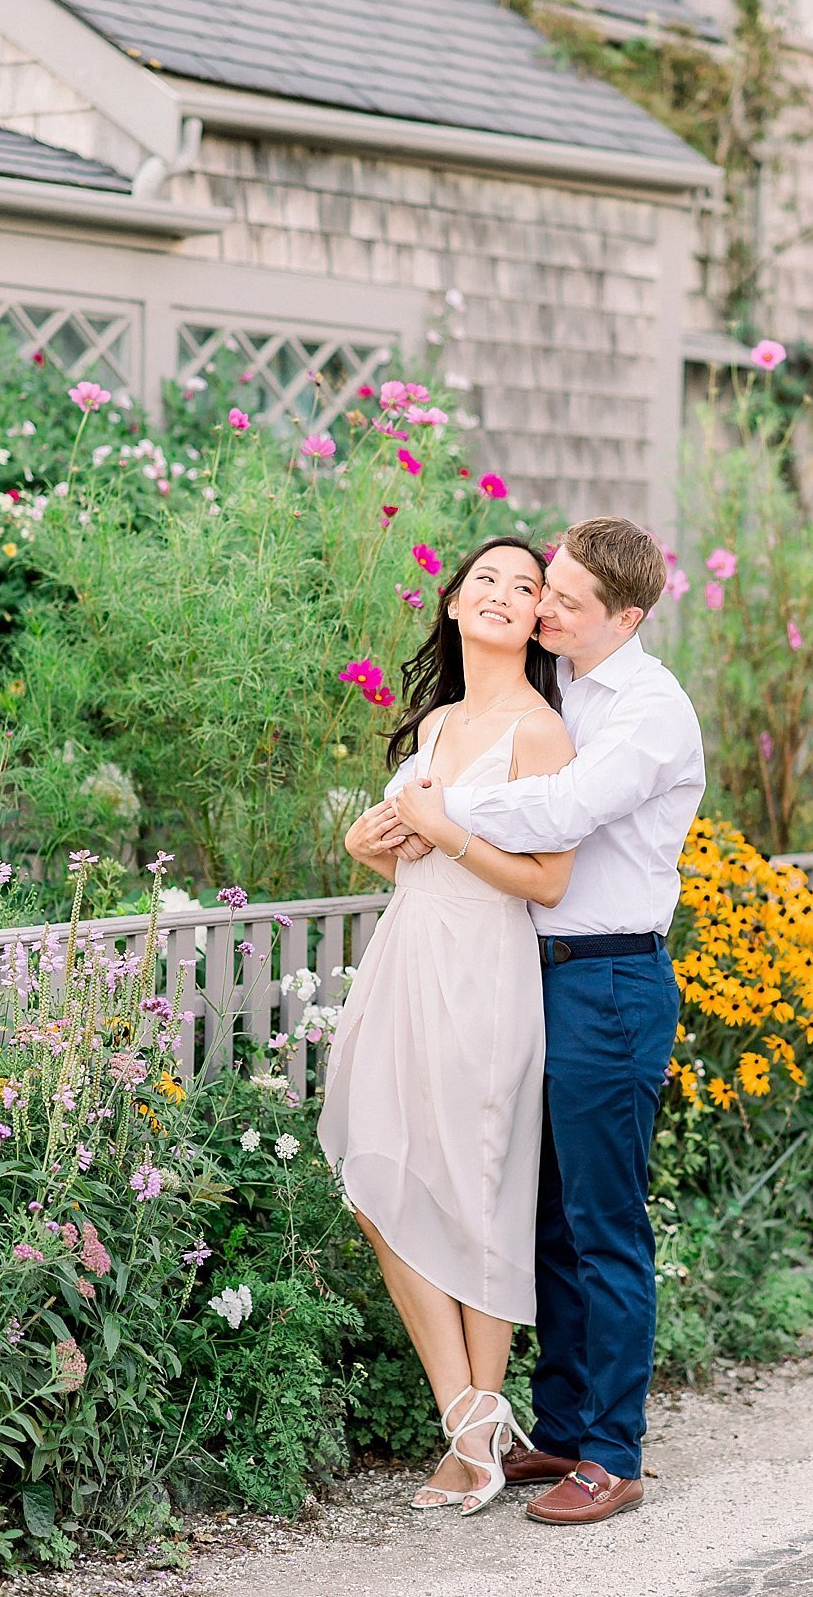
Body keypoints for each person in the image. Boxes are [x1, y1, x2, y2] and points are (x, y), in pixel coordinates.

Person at [391, 516, 705, 1526]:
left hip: (611, 980)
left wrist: (441, 814)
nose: (544, 611)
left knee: (605, 1224)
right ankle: (564, 1428)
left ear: (628, 615)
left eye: (564, 601)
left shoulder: (649, 711)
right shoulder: (565, 684)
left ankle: (613, 1453)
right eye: (546, 590)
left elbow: (563, 812)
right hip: (538, 976)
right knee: (550, 1219)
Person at [317, 536, 576, 1516]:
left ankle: (473, 1446)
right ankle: (472, 1418)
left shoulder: (541, 732)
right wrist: (364, 843)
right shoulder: (433, 724)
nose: (506, 595)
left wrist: (449, 831)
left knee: (477, 1192)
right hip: (407, 958)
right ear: (457, 609)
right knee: (376, 1182)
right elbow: (414, 864)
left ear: (536, 615)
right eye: (488, 583)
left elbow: (547, 881)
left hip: (486, 972)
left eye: (526, 586)